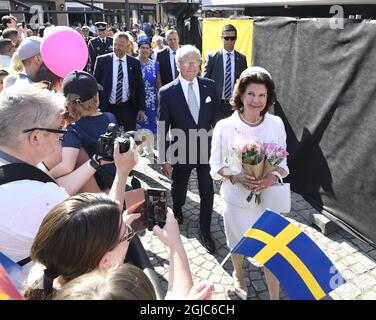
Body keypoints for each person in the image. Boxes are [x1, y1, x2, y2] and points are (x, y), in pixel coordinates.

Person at [0, 86, 137, 276]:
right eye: (58, 127)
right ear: (35, 137)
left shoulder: (15, 162)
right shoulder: (37, 197)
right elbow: (106, 229)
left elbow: (56, 186)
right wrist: (123, 172)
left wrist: (95, 162)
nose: (63, 134)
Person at [24, 193, 210, 300]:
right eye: (128, 234)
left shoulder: (45, 274)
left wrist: (119, 229)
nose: (130, 233)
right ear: (105, 261)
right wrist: (175, 244)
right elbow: (177, 295)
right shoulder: (112, 293)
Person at [209, 66, 289, 300]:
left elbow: (283, 161)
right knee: (237, 242)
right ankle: (238, 275)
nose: (256, 100)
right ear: (241, 95)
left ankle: (274, 296)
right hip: (236, 201)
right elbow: (215, 165)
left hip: (268, 202)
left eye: (262, 95)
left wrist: (270, 178)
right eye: (251, 94)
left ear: (269, 97)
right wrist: (236, 176)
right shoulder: (225, 126)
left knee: (271, 251)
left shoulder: (276, 124)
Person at [157, 45, 219, 254]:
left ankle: (205, 231)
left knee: (207, 191)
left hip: (205, 149)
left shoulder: (210, 86)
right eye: (187, 62)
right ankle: (178, 208)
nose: (193, 66)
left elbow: (217, 120)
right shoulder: (167, 92)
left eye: (196, 61)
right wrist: (164, 157)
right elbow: (162, 126)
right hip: (180, 148)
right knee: (179, 187)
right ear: (178, 65)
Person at [48, 71, 118, 191]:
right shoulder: (110, 117)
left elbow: (67, 166)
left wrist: (46, 176)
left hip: (92, 184)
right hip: (113, 178)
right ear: (96, 97)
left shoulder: (73, 129)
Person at [93, 32, 146, 132]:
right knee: (110, 137)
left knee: (130, 137)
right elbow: (95, 85)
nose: (117, 47)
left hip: (129, 107)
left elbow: (140, 86)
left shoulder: (134, 63)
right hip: (108, 107)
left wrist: (141, 108)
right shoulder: (102, 61)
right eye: (115, 44)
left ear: (128, 46)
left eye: (120, 45)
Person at [203, 24, 247, 121]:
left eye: (232, 38)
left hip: (234, 105)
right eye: (227, 38)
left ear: (236, 39)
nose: (230, 41)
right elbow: (204, 81)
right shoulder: (212, 57)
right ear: (221, 38)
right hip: (216, 104)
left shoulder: (241, 58)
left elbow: (244, 82)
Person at [136, 36, 161, 136]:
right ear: (138, 49)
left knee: (152, 133)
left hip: (152, 103)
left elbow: (158, 83)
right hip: (138, 102)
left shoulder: (154, 64)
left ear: (150, 50)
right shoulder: (133, 63)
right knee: (139, 134)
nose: (145, 50)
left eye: (147, 48)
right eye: (143, 48)